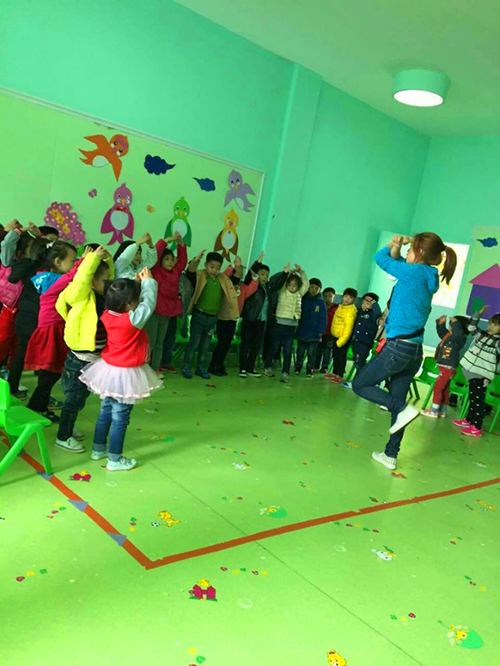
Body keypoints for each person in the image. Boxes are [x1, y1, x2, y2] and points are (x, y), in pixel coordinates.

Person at [353, 233, 457, 470]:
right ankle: (391, 454)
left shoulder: (413, 272)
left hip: (397, 348)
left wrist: (393, 243)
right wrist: (400, 247)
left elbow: (381, 258)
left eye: (410, 249)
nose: (406, 252)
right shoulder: (426, 274)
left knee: (360, 385)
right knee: (397, 401)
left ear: (420, 252)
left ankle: (403, 409)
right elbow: (397, 261)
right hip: (414, 351)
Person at [79, 268, 162, 471]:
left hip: (108, 369)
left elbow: (130, 301)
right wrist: (148, 283)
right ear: (128, 304)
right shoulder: (132, 320)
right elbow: (148, 304)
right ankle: (114, 459)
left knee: (105, 412)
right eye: (134, 300)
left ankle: (98, 449)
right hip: (126, 373)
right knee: (120, 418)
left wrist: (135, 284)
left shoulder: (108, 314)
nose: (137, 302)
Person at [54, 246, 113, 452]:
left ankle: (68, 426)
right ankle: (63, 436)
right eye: (105, 280)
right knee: (74, 399)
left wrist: (107, 260)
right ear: (91, 281)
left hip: (93, 359)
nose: (109, 284)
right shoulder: (81, 295)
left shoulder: (102, 297)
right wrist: (92, 259)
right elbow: (81, 279)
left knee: (80, 399)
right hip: (79, 359)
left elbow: (109, 275)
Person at [23, 241, 81, 421]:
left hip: (54, 329)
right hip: (51, 330)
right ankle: (34, 407)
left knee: (50, 373)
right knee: (50, 373)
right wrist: (84, 262)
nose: (75, 263)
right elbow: (70, 278)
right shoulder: (51, 279)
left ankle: (40, 407)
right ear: (57, 261)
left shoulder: (46, 277)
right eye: (73, 260)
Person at [182, 250, 241, 379]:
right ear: (206, 265)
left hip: (213, 318)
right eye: (212, 267)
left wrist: (238, 267)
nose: (214, 270)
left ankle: (201, 368)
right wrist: (196, 260)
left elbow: (235, 279)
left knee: (205, 346)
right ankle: (186, 367)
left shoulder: (222, 279)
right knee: (194, 343)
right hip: (199, 316)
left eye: (218, 268)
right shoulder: (200, 275)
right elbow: (190, 272)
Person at [453, 308, 500, 437]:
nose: (491, 326)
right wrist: (478, 314)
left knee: (478, 402)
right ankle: (469, 421)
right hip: (471, 372)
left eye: (495, 325)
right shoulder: (483, 335)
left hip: (482, 375)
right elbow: (471, 327)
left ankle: (476, 427)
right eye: (490, 323)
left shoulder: (497, 342)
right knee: (472, 399)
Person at [239, 253, 287, 378]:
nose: (265, 277)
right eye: (262, 274)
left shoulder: (268, 287)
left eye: (267, 275)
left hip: (262, 321)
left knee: (256, 346)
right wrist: (257, 263)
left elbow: (277, 285)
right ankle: (242, 368)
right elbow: (249, 276)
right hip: (249, 319)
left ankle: (250, 368)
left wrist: (284, 273)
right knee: (245, 345)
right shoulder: (252, 284)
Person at [209, 257, 259, 377]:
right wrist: (233, 265)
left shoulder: (242, 287)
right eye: (237, 270)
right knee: (222, 343)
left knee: (226, 344)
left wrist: (254, 276)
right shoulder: (226, 284)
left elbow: (252, 288)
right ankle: (214, 365)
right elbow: (224, 275)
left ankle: (219, 365)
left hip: (233, 318)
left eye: (241, 271)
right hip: (223, 317)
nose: (239, 273)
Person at [145, 232, 187, 376]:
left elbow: (182, 261)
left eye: (172, 259)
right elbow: (157, 251)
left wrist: (181, 244)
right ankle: (144, 368)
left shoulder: (175, 271)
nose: (170, 262)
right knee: (150, 342)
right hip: (154, 313)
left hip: (167, 314)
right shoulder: (156, 270)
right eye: (167, 259)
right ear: (160, 261)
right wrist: (168, 240)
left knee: (160, 343)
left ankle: (155, 368)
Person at [264, 264, 309, 383]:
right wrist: (289, 272)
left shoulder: (299, 293)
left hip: (292, 326)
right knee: (273, 347)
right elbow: (282, 281)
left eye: (294, 285)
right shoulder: (282, 291)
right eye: (290, 285)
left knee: (288, 350)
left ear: (298, 286)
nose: (292, 287)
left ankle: (285, 372)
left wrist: (301, 272)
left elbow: (306, 284)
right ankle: (267, 366)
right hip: (279, 324)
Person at [421, 314, 469, 419]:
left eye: (452, 324)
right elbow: (442, 333)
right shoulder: (450, 336)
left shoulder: (460, 338)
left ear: (459, 327)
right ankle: (442, 410)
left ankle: (434, 411)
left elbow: (458, 332)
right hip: (445, 367)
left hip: (448, 368)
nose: (450, 326)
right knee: (445, 389)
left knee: (437, 388)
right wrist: (441, 323)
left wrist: (455, 322)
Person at [295, 278, 327, 377]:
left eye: (316, 288)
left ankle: (309, 369)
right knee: (300, 351)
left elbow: (323, 318)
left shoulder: (321, 302)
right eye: (312, 287)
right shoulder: (303, 299)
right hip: (302, 330)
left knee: (311, 353)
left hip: (314, 333)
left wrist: (321, 331)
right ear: (308, 287)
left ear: (319, 290)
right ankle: (298, 367)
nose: (313, 290)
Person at [327, 288, 358, 382]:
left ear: (354, 299)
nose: (347, 299)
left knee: (341, 356)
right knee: (335, 355)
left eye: (350, 298)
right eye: (346, 296)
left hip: (343, 338)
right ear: (342, 296)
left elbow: (348, 328)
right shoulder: (341, 307)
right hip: (336, 336)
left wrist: (341, 341)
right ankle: (334, 372)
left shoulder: (351, 311)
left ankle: (340, 375)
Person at [351, 293, 382, 371]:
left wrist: (373, 302)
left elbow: (377, 312)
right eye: (363, 303)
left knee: (360, 362)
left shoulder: (374, 315)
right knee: (356, 361)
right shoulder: (360, 312)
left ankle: (359, 378)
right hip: (356, 341)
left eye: (367, 303)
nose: (364, 305)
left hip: (365, 343)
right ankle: (358, 377)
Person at [315, 288, 337, 372]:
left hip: (330, 334)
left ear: (334, 297)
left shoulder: (337, 308)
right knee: (318, 350)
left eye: (330, 296)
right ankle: (316, 365)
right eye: (325, 296)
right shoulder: (320, 306)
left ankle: (324, 367)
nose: (328, 298)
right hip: (320, 333)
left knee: (327, 351)